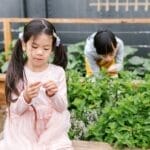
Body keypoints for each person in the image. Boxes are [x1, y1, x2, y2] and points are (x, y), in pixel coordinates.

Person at [0, 19, 73, 150]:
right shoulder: (19, 72)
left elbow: (62, 108)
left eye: (46, 48)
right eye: (34, 46)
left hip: (51, 129)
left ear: (52, 49)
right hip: (23, 130)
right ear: (23, 44)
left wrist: (54, 95)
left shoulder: (57, 72)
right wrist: (25, 97)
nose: (40, 52)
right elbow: (15, 110)